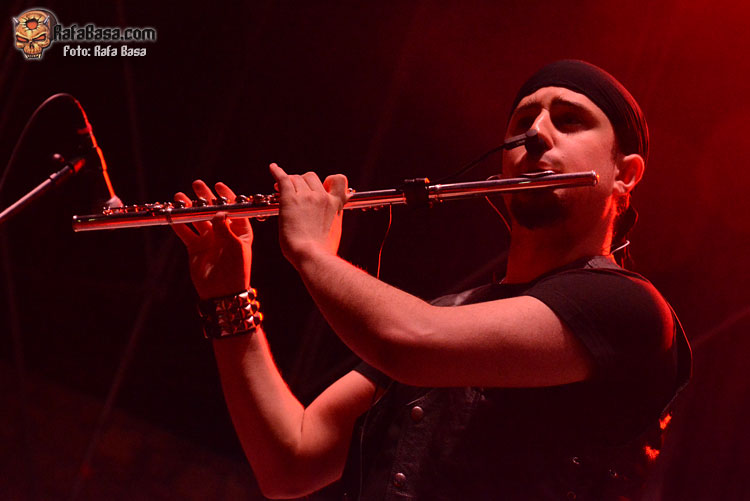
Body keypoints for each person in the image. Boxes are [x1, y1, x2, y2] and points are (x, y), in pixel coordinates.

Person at [172, 60, 690, 500]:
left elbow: (410, 341)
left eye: (570, 120)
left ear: (625, 174)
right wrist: (228, 296)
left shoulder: (628, 310)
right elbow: (291, 460)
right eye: (523, 120)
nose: (536, 134)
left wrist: (310, 251)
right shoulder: (450, 312)